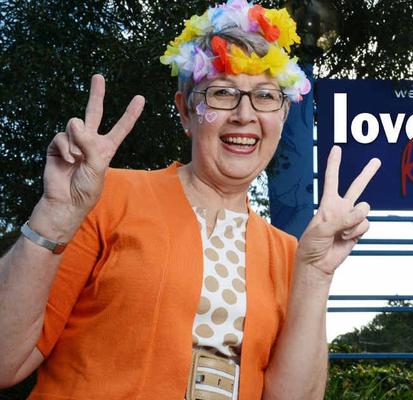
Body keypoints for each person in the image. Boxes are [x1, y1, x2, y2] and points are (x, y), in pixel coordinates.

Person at [0, 1, 380, 399]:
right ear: (185, 112)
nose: (244, 114)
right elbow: (6, 361)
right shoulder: (105, 197)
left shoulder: (291, 255)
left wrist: (316, 276)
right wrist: (54, 218)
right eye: (221, 93)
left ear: (282, 116)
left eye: (266, 96)